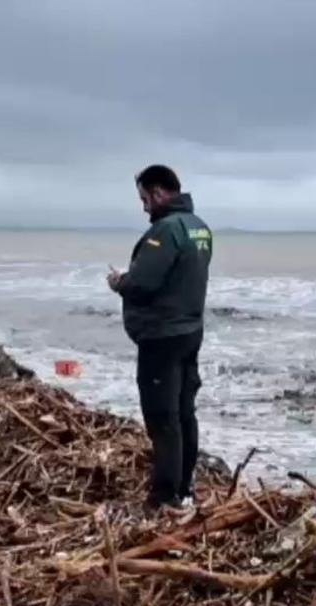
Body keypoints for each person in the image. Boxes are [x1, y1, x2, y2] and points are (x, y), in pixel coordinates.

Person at [107, 165, 212, 511]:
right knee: (184, 412)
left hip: (162, 337)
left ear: (158, 193)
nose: (144, 207)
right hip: (190, 330)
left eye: (144, 199)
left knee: (162, 416)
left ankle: (165, 497)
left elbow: (143, 284)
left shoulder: (165, 231)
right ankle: (184, 487)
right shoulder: (199, 229)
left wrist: (120, 282)